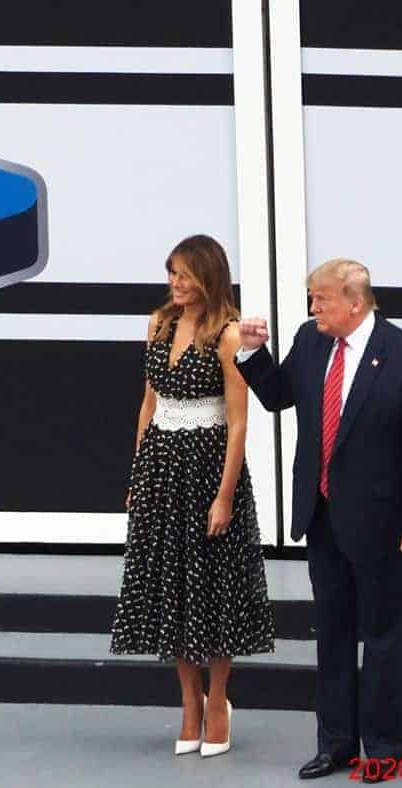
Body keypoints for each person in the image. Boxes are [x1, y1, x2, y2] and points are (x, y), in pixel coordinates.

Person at [236, 258, 402, 782]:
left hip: (385, 522)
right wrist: (252, 353)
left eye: (321, 299)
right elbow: (278, 395)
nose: (313, 308)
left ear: (355, 302)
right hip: (323, 515)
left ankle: (383, 748)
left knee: (382, 636)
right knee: (332, 633)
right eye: (312, 298)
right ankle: (336, 744)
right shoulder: (311, 341)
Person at [110, 234, 274, 759]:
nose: (175, 283)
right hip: (161, 468)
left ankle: (218, 700)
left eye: (184, 274)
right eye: (171, 273)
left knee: (216, 587)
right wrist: (139, 473)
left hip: (209, 469)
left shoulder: (229, 334)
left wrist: (224, 497)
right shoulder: (158, 324)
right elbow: (148, 404)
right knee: (173, 587)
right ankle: (189, 703)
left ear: (208, 277)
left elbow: (238, 422)